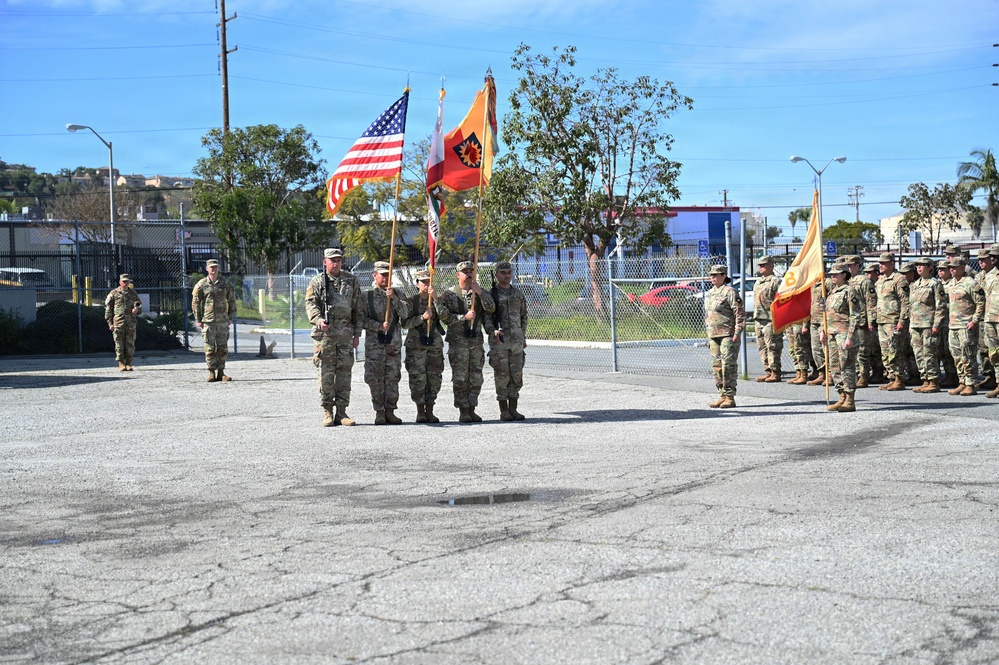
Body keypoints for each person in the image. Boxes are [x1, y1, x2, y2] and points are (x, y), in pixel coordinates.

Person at [305, 248, 366, 427]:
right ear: (325, 262)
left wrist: (357, 333)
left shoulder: (351, 280)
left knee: (344, 375)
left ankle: (342, 412)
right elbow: (311, 305)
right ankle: (327, 411)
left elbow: (358, 308)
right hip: (325, 336)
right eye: (332, 260)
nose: (335, 263)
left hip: (346, 335)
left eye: (338, 260)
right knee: (326, 374)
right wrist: (318, 320)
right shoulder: (317, 282)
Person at [438, 261, 496, 422]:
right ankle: (463, 410)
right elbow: (444, 317)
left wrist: (481, 293)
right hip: (458, 343)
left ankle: (472, 407)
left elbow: (491, 308)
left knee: (476, 377)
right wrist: (463, 317)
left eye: (471, 271)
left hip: (475, 342)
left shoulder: (479, 291)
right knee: (460, 378)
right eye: (465, 271)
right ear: (458, 275)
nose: (469, 274)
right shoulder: (450, 294)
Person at [363, 261, 411, 425]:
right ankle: (379, 412)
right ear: (375, 276)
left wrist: (394, 299)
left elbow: (405, 313)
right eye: (382, 275)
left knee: (392, 378)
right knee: (375, 379)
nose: (385, 278)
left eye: (388, 275)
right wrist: (377, 326)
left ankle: (390, 411)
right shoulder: (366, 296)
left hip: (393, 345)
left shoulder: (398, 293)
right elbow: (360, 319)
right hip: (375, 345)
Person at [485, 261, 529, 420]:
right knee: (502, 375)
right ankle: (504, 410)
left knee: (516, 375)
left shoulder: (518, 294)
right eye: (503, 273)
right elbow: (487, 318)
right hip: (500, 342)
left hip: (516, 341)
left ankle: (514, 409)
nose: (507, 275)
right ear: (496, 275)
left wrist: (523, 335)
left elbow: (524, 316)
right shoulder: (491, 295)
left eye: (509, 272)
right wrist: (492, 331)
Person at [403, 269, 445, 423]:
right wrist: (422, 318)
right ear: (417, 284)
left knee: (434, 377)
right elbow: (405, 323)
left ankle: (430, 409)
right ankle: (420, 411)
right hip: (416, 345)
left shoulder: (437, 300)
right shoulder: (410, 301)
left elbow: (446, 317)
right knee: (418, 378)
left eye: (429, 281)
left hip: (434, 344)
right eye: (424, 282)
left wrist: (435, 300)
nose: (427, 284)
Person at [821, 263, 863, 412]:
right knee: (834, 367)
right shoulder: (832, 292)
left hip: (844, 334)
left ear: (844, 275)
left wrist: (850, 337)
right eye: (831, 274)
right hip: (831, 334)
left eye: (835, 274)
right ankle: (841, 396)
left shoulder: (850, 291)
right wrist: (823, 330)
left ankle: (850, 399)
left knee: (847, 367)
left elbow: (855, 316)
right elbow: (826, 314)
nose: (832, 276)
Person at [704, 264, 745, 408]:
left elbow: (739, 313)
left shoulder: (730, 292)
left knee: (728, 365)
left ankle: (730, 396)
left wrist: (738, 332)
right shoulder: (709, 293)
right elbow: (708, 314)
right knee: (716, 366)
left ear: (723, 276)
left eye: (716, 275)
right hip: (713, 334)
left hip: (728, 334)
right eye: (711, 275)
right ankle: (721, 394)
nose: (713, 277)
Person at [192, 258, 237, 382]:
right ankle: (211, 372)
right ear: (207, 269)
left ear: (218, 268)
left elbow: (232, 300)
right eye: (211, 267)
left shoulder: (225, 283)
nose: (214, 269)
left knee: (222, 348)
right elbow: (196, 303)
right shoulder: (201, 284)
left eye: (215, 267)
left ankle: (221, 373)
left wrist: (230, 317)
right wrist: (198, 319)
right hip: (208, 321)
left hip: (222, 321)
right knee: (209, 348)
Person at [945, 257, 985, 396]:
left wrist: (974, 320)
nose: (951, 269)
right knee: (957, 356)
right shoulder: (951, 284)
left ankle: (971, 384)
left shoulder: (970, 283)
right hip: (954, 326)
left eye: (954, 267)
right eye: (950, 267)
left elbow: (981, 302)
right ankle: (962, 381)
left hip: (966, 326)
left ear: (962, 268)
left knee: (968, 355)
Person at [907, 257, 947, 393]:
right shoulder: (914, 285)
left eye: (922, 265)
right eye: (918, 265)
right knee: (918, 354)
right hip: (916, 324)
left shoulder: (935, 284)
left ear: (930, 268)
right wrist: (910, 325)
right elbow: (911, 306)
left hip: (929, 324)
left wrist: (936, 324)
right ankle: (925, 379)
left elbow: (940, 306)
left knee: (929, 353)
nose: (919, 267)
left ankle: (934, 380)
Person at [875, 252, 910, 391]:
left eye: (884, 263)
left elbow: (905, 302)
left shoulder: (899, 279)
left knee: (895, 350)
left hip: (893, 320)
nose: (881, 265)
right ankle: (892, 377)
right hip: (882, 320)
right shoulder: (881, 280)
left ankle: (900, 378)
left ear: (891, 264)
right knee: (885, 351)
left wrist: (902, 320)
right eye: (880, 263)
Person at [843, 255, 875, 388]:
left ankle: (863, 376)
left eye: (851, 265)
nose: (848, 268)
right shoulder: (848, 282)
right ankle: (856, 374)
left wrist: (871, 320)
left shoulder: (864, 281)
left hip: (862, 321)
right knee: (853, 351)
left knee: (862, 351)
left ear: (857, 266)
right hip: (850, 322)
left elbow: (871, 302)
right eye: (847, 266)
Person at [752, 255, 782, 382]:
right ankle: (768, 370)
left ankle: (775, 372)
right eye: (759, 265)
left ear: (771, 266)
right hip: (759, 318)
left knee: (772, 346)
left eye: (763, 265)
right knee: (762, 346)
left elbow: (780, 300)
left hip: (770, 319)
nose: (760, 267)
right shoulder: (758, 282)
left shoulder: (776, 281)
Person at [104, 273, 142, 371]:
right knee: (119, 344)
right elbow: (108, 309)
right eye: (124, 281)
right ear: (120, 282)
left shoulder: (133, 294)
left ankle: (128, 363)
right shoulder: (114, 293)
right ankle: (121, 363)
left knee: (130, 344)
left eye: (127, 281)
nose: (126, 283)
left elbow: (138, 305)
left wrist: (136, 310)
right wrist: (110, 323)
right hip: (118, 323)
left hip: (130, 323)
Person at [973, 248, 997, 391]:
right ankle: (989, 376)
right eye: (979, 260)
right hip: (984, 318)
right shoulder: (979, 277)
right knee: (983, 349)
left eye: (984, 259)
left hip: (994, 317)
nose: (981, 262)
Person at [806, 269, 835, 386]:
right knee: (816, 349)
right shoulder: (812, 285)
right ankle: (821, 373)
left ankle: (830, 375)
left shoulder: (827, 283)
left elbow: (832, 300)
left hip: (824, 320)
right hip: (814, 320)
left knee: (826, 348)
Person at [936, 259, 959, 387]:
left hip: (950, 320)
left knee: (950, 349)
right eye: (939, 269)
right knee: (942, 350)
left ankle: (953, 375)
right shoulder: (938, 284)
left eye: (943, 269)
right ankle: (948, 373)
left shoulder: (953, 284)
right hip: (941, 321)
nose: (940, 271)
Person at [898, 262, 921, 385]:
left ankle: (917, 374)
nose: (902, 276)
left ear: (912, 274)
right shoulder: (907, 285)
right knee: (906, 349)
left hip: (916, 321)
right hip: (909, 321)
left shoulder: (915, 286)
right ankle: (912, 373)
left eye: (904, 274)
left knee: (914, 350)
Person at [982, 245, 999, 398]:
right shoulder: (988, 275)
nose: (992, 258)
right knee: (994, 354)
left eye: (996, 256)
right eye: (992, 256)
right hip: (990, 320)